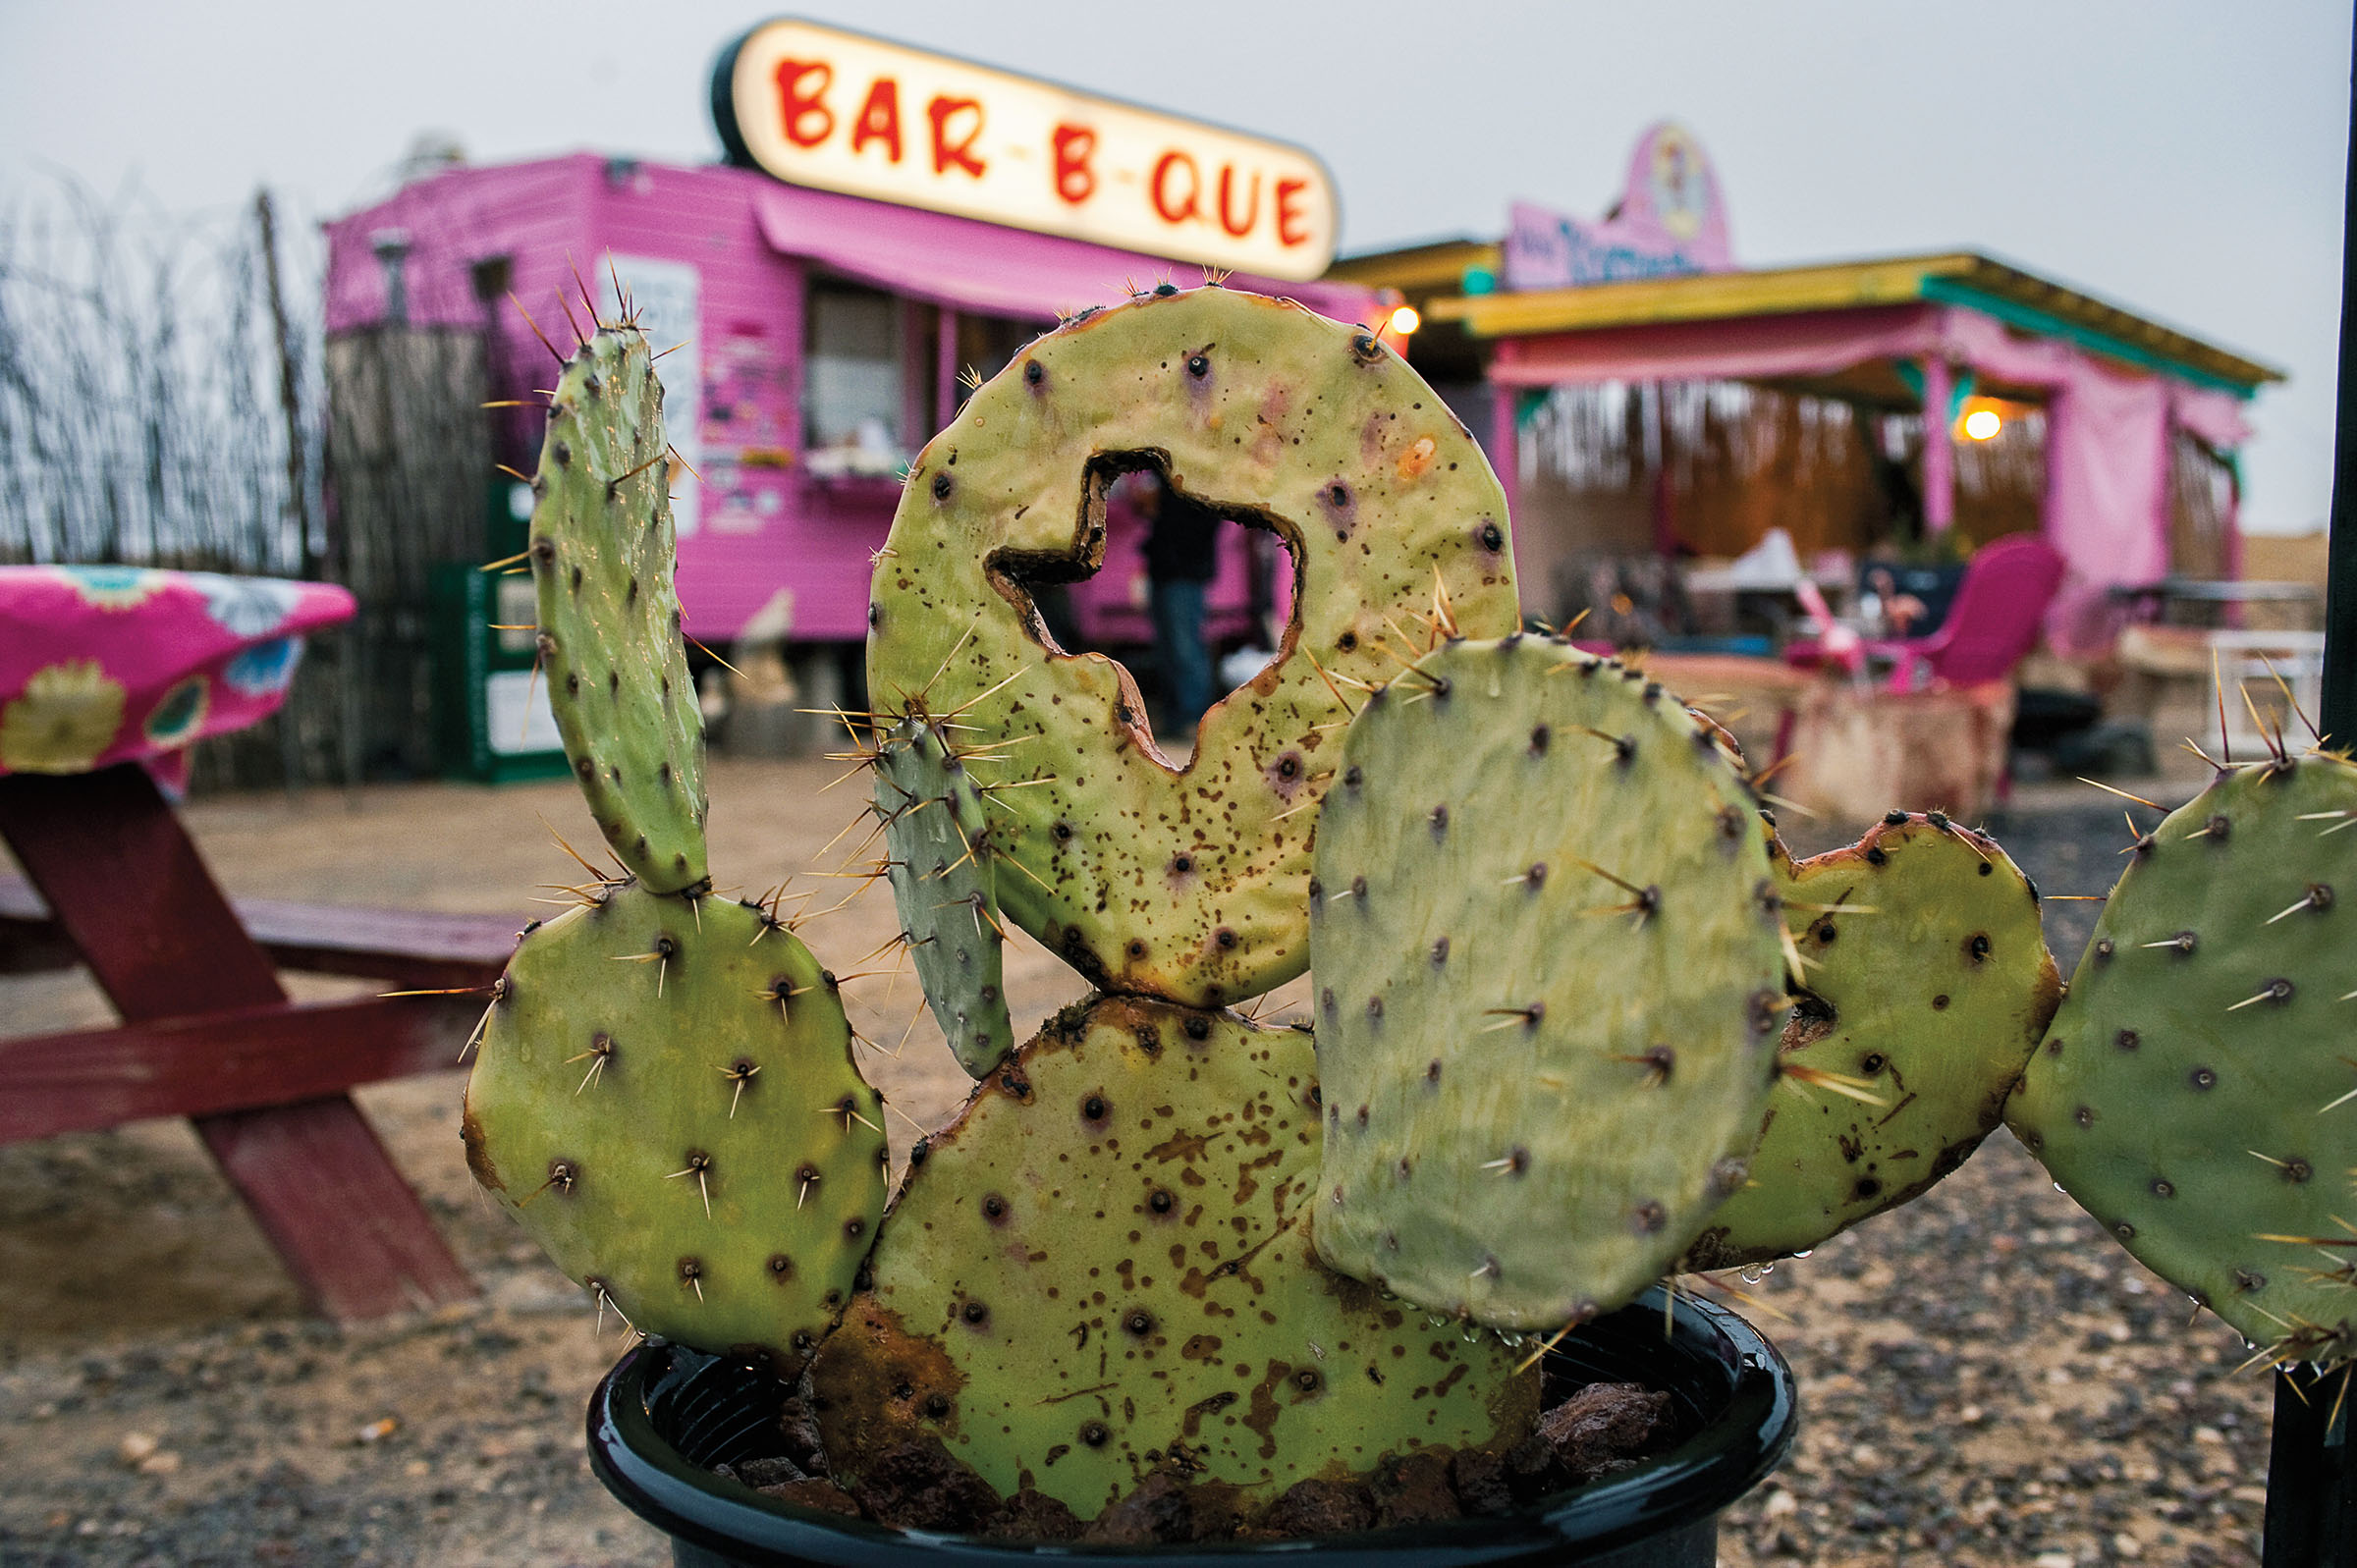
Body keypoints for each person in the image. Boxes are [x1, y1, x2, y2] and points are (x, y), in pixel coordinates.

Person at [1137, 470, 1221, 737]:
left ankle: (1192, 719)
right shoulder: (1165, 473)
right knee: (1167, 649)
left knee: (1185, 647)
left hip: (1185, 569)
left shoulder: (1202, 476)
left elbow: (1202, 521)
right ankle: (1175, 718)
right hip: (1164, 567)